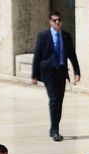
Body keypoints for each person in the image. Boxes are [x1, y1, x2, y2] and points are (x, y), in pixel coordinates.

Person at [30, 10, 80, 141]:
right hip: (49, 73)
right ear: (50, 22)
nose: (57, 22)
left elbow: (72, 55)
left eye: (59, 20)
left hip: (61, 73)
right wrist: (34, 75)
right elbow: (37, 56)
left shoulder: (66, 36)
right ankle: (55, 130)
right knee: (54, 100)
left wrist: (77, 72)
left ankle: (54, 127)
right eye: (54, 20)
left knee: (59, 101)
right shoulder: (43, 36)